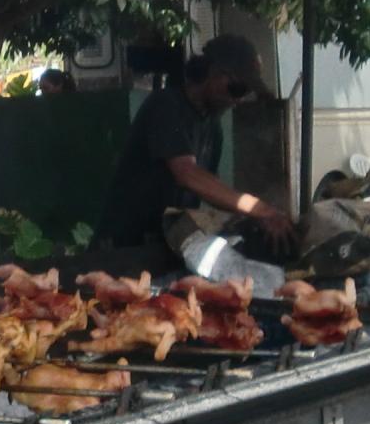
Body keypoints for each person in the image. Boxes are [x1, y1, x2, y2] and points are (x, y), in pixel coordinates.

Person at [100, 34, 295, 260]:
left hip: (162, 246)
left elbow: (209, 189)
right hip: (123, 246)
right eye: (237, 89)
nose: (238, 100)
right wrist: (259, 208)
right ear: (214, 74)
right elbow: (187, 173)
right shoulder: (165, 106)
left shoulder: (212, 128)